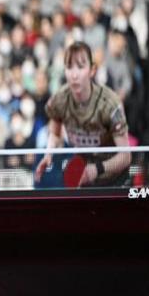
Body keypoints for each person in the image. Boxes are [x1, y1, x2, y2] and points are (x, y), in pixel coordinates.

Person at [34, 41, 130, 187]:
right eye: (69, 67)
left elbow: (125, 156)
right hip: (84, 179)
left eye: (80, 67)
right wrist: (48, 154)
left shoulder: (110, 104)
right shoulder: (59, 100)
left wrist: (96, 170)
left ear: (92, 70)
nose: (74, 75)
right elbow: (56, 135)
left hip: (115, 182)